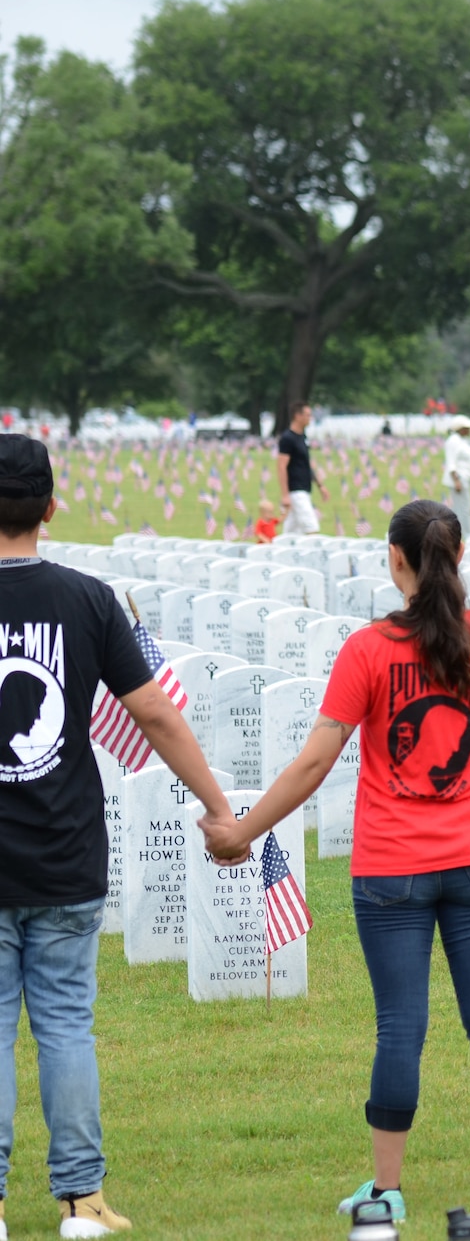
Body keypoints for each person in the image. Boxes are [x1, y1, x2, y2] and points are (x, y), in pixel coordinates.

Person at [201, 500, 470, 1223]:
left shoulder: (368, 650)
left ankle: (387, 1190)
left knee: (400, 1026)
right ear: (463, 554)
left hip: (391, 868)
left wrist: (244, 830)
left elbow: (316, 760)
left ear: (395, 559)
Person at [0, 434, 240, 1239]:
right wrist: (218, 805)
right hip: (65, 847)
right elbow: (156, 713)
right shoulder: (88, 598)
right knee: (65, 1024)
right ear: (51, 507)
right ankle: (80, 1201)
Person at [275, 403, 319, 536]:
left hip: (305, 487)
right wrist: (285, 494)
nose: (310, 418)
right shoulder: (288, 438)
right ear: (297, 416)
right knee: (311, 527)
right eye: (307, 415)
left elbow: (305, 464)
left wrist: (320, 485)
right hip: (295, 490)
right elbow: (281, 466)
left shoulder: (303, 437)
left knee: (291, 532)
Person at [442, 416, 470, 537]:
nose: (469, 430)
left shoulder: (461, 440)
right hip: (459, 479)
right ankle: (465, 535)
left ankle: (464, 533)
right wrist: (456, 480)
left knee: (465, 507)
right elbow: (451, 462)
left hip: (464, 479)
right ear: (461, 429)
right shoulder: (453, 441)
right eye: (467, 428)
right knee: (463, 509)